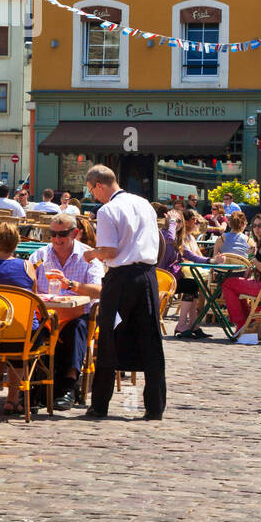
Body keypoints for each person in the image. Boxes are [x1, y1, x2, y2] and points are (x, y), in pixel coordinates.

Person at [81, 165, 166, 421]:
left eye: (91, 190)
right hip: (148, 276)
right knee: (151, 340)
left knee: (109, 337)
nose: (93, 196)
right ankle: (155, 407)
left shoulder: (108, 210)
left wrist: (91, 254)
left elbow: (110, 251)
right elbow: (159, 242)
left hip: (121, 280)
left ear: (99, 184)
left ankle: (99, 405)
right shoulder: (144, 204)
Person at [30, 212, 103, 409]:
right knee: (31, 329)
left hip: (77, 315)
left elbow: (99, 290)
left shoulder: (88, 256)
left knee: (77, 328)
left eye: (62, 235)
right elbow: (28, 283)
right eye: (53, 234)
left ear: (75, 233)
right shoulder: (41, 255)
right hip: (46, 316)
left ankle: (69, 386)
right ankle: (30, 387)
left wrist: (70, 284)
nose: (56, 239)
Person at [0, 221, 43, 415]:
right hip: (22, 338)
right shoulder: (27, 266)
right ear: (17, 243)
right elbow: (34, 299)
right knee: (19, 333)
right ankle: (12, 399)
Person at [172, 210, 211, 339]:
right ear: (187, 222)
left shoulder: (191, 237)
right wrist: (209, 261)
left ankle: (193, 325)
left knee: (193, 286)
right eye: (195, 220)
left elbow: (197, 255)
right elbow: (189, 256)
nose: (197, 223)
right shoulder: (180, 238)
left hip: (188, 273)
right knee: (191, 286)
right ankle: (182, 324)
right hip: (174, 276)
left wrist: (208, 261)